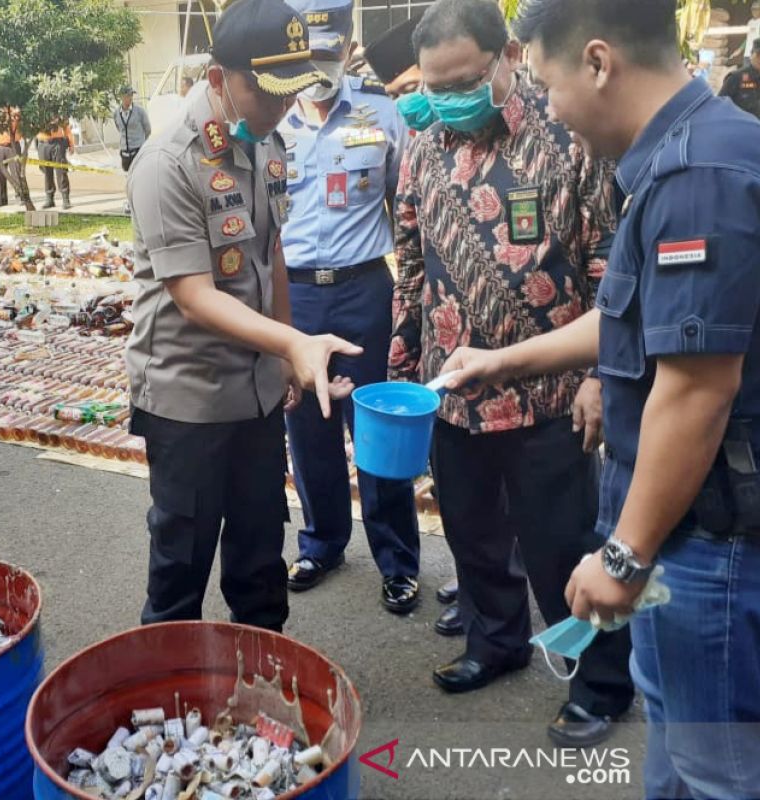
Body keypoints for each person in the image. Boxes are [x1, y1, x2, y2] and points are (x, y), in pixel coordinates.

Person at [445, 0, 760, 792]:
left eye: (546, 84)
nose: (547, 109)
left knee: (717, 769)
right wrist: (503, 360)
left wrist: (624, 554)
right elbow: (628, 319)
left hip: (706, 547)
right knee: (678, 748)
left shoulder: (697, 178)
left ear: (596, 62)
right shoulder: (678, 157)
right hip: (684, 536)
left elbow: (695, 391)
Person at [390, 0, 634, 747]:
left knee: (563, 544)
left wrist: (598, 374)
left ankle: (601, 682)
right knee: (472, 534)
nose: (449, 99)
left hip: (550, 394)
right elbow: (409, 262)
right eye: (435, 86)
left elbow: (610, 261)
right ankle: (494, 643)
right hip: (452, 393)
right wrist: (401, 364)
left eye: (464, 81)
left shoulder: (566, 136)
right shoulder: (423, 140)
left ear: (505, 59)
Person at [126, 0, 362, 633]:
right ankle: (165, 704)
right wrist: (291, 341)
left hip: (254, 394)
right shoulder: (168, 162)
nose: (281, 107)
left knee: (261, 556)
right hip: (189, 399)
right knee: (182, 560)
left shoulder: (267, 145)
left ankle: (261, 685)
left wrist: (290, 356)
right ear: (218, 79)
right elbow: (194, 295)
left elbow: (271, 253)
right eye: (267, 94)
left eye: (290, 93)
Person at [275, 0, 422, 615]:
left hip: (365, 290)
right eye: (308, 54)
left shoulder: (381, 113)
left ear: (346, 47)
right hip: (296, 292)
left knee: (377, 427)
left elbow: (408, 211)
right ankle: (323, 541)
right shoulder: (273, 123)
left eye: (329, 51)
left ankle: (397, 561)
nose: (319, 64)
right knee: (308, 426)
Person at [364, 12, 466, 637]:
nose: (412, 105)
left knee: (507, 480)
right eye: (400, 95)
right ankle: (478, 582)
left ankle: (496, 576)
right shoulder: (419, 148)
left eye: (418, 89)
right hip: (435, 335)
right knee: (452, 467)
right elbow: (409, 254)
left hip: (519, 353)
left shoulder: (538, 138)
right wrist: (403, 348)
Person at [35, 118, 74, 210]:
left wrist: (71, 144)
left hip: (57, 143)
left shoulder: (58, 109)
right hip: (43, 143)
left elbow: (66, 128)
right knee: (47, 172)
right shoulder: (37, 110)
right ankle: (49, 199)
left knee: (61, 171)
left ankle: (65, 199)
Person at [0, 107, 25, 208]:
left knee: (16, 173)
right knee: (0, 175)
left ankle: (22, 197)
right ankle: (2, 199)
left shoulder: (15, 109)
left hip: (12, 146)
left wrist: (15, 114)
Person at [114, 86, 151, 173]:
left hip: (138, 149)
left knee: (140, 174)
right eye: (128, 95)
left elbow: (148, 129)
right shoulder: (116, 113)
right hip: (125, 152)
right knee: (128, 176)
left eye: (131, 95)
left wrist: (142, 143)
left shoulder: (140, 111)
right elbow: (119, 128)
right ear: (122, 97)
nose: (130, 98)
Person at [720, 40, 760, 120]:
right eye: (759, 55)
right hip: (741, 128)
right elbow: (720, 105)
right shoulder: (736, 78)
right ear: (751, 55)